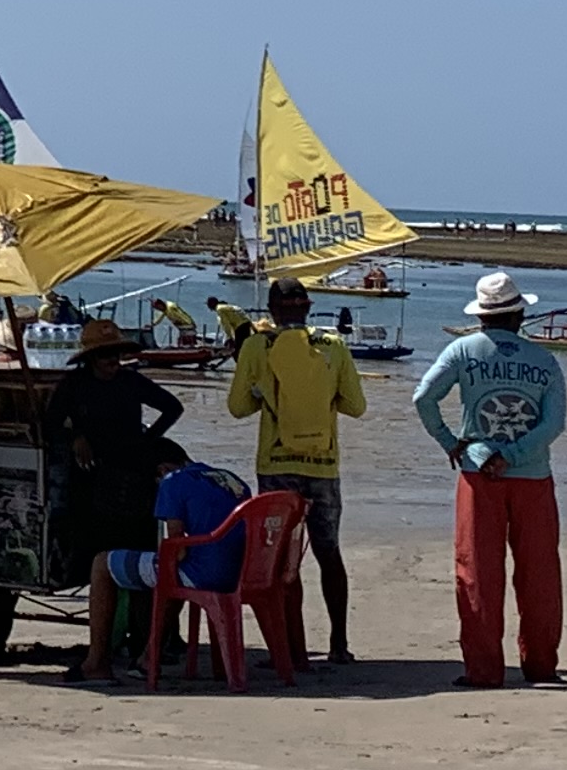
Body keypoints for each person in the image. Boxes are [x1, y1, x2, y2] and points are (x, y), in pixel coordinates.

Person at [415, 269, 567, 688]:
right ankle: (541, 666)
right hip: (534, 476)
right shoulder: (544, 360)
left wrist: (454, 443)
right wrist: (516, 453)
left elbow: (424, 398)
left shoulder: (462, 351)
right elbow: (554, 423)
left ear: (481, 317)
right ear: (519, 316)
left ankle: (484, 670)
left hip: (477, 475)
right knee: (539, 573)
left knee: (477, 572)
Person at [224, 277, 370, 668]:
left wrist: (261, 391)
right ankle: (339, 644)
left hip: (276, 465)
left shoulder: (257, 346)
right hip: (323, 465)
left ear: (272, 310)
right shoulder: (333, 346)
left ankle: (292, 649)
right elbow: (356, 407)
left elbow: (237, 408)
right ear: (307, 308)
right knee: (328, 553)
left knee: (283, 560)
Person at [40, 320, 181, 682]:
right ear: (89, 358)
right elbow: (49, 424)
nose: (112, 361)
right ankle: (100, 653)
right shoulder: (74, 385)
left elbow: (172, 407)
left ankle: (141, 651)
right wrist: (76, 436)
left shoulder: (131, 382)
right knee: (100, 567)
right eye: (104, 355)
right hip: (91, 486)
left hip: (135, 482)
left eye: (115, 354)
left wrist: (148, 440)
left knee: (139, 568)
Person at [105, 439, 254, 670]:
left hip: (206, 575)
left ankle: (96, 662)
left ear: (162, 470)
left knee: (102, 565)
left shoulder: (172, 482)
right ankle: (150, 654)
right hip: (241, 573)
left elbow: (178, 548)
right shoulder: (231, 479)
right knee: (169, 575)